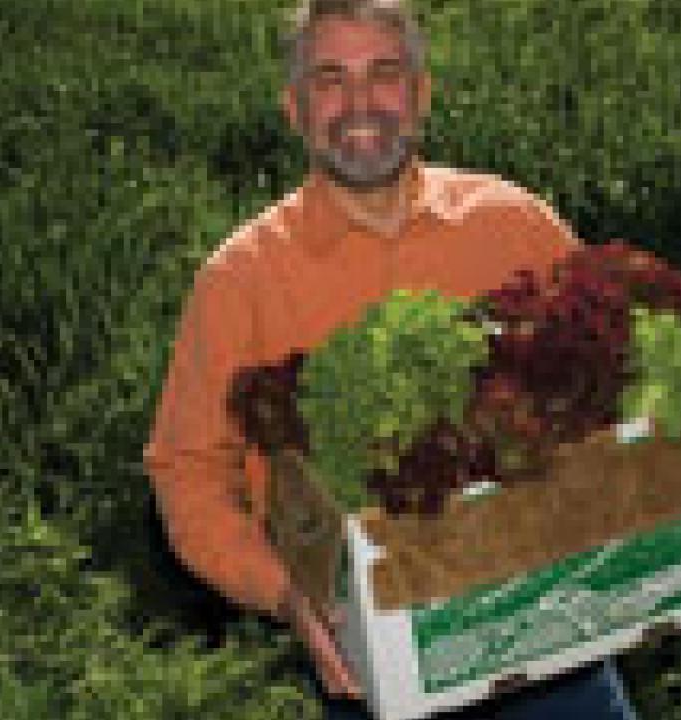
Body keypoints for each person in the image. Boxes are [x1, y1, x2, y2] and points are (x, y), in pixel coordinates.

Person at [143, 1, 641, 717]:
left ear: (421, 93)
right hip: (376, 656)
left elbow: (620, 369)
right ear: (293, 107)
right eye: (330, 80)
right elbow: (185, 470)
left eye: (384, 74)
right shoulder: (240, 280)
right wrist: (283, 593)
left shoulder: (512, 222)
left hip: (551, 633)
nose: (359, 105)